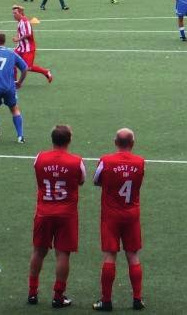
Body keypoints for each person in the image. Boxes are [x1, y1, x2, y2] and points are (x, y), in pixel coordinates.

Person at [28, 125, 85, 308]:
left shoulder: (40, 158)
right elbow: (82, 180)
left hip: (44, 212)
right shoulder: (76, 161)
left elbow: (38, 175)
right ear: (69, 140)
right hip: (66, 214)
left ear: (52, 140)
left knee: (38, 251)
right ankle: (58, 296)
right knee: (63, 254)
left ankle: (32, 292)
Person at [92, 128, 146, 312]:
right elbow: (138, 182)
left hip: (111, 215)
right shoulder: (140, 162)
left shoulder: (106, 160)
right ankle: (137, 299)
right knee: (133, 254)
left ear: (115, 142)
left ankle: (106, 301)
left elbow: (96, 180)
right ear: (132, 143)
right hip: (131, 214)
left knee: (110, 255)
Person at [0, 32, 28, 143]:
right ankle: (20, 137)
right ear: (4, 41)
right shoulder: (11, 53)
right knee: (14, 109)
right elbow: (25, 68)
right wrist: (19, 82)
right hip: (9, 87)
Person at [13, 5, 53, 84]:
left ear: (19, 14)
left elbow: (28, 34)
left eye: (15, 13)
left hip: (28, 48)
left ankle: (45, 72)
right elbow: (22, 12)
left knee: (28, 67)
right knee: (11, 61)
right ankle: (14, 82)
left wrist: (18, 39)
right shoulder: (21, 19)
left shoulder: (25, 22)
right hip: (20, 48)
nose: (13, 15)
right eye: (13, 13)